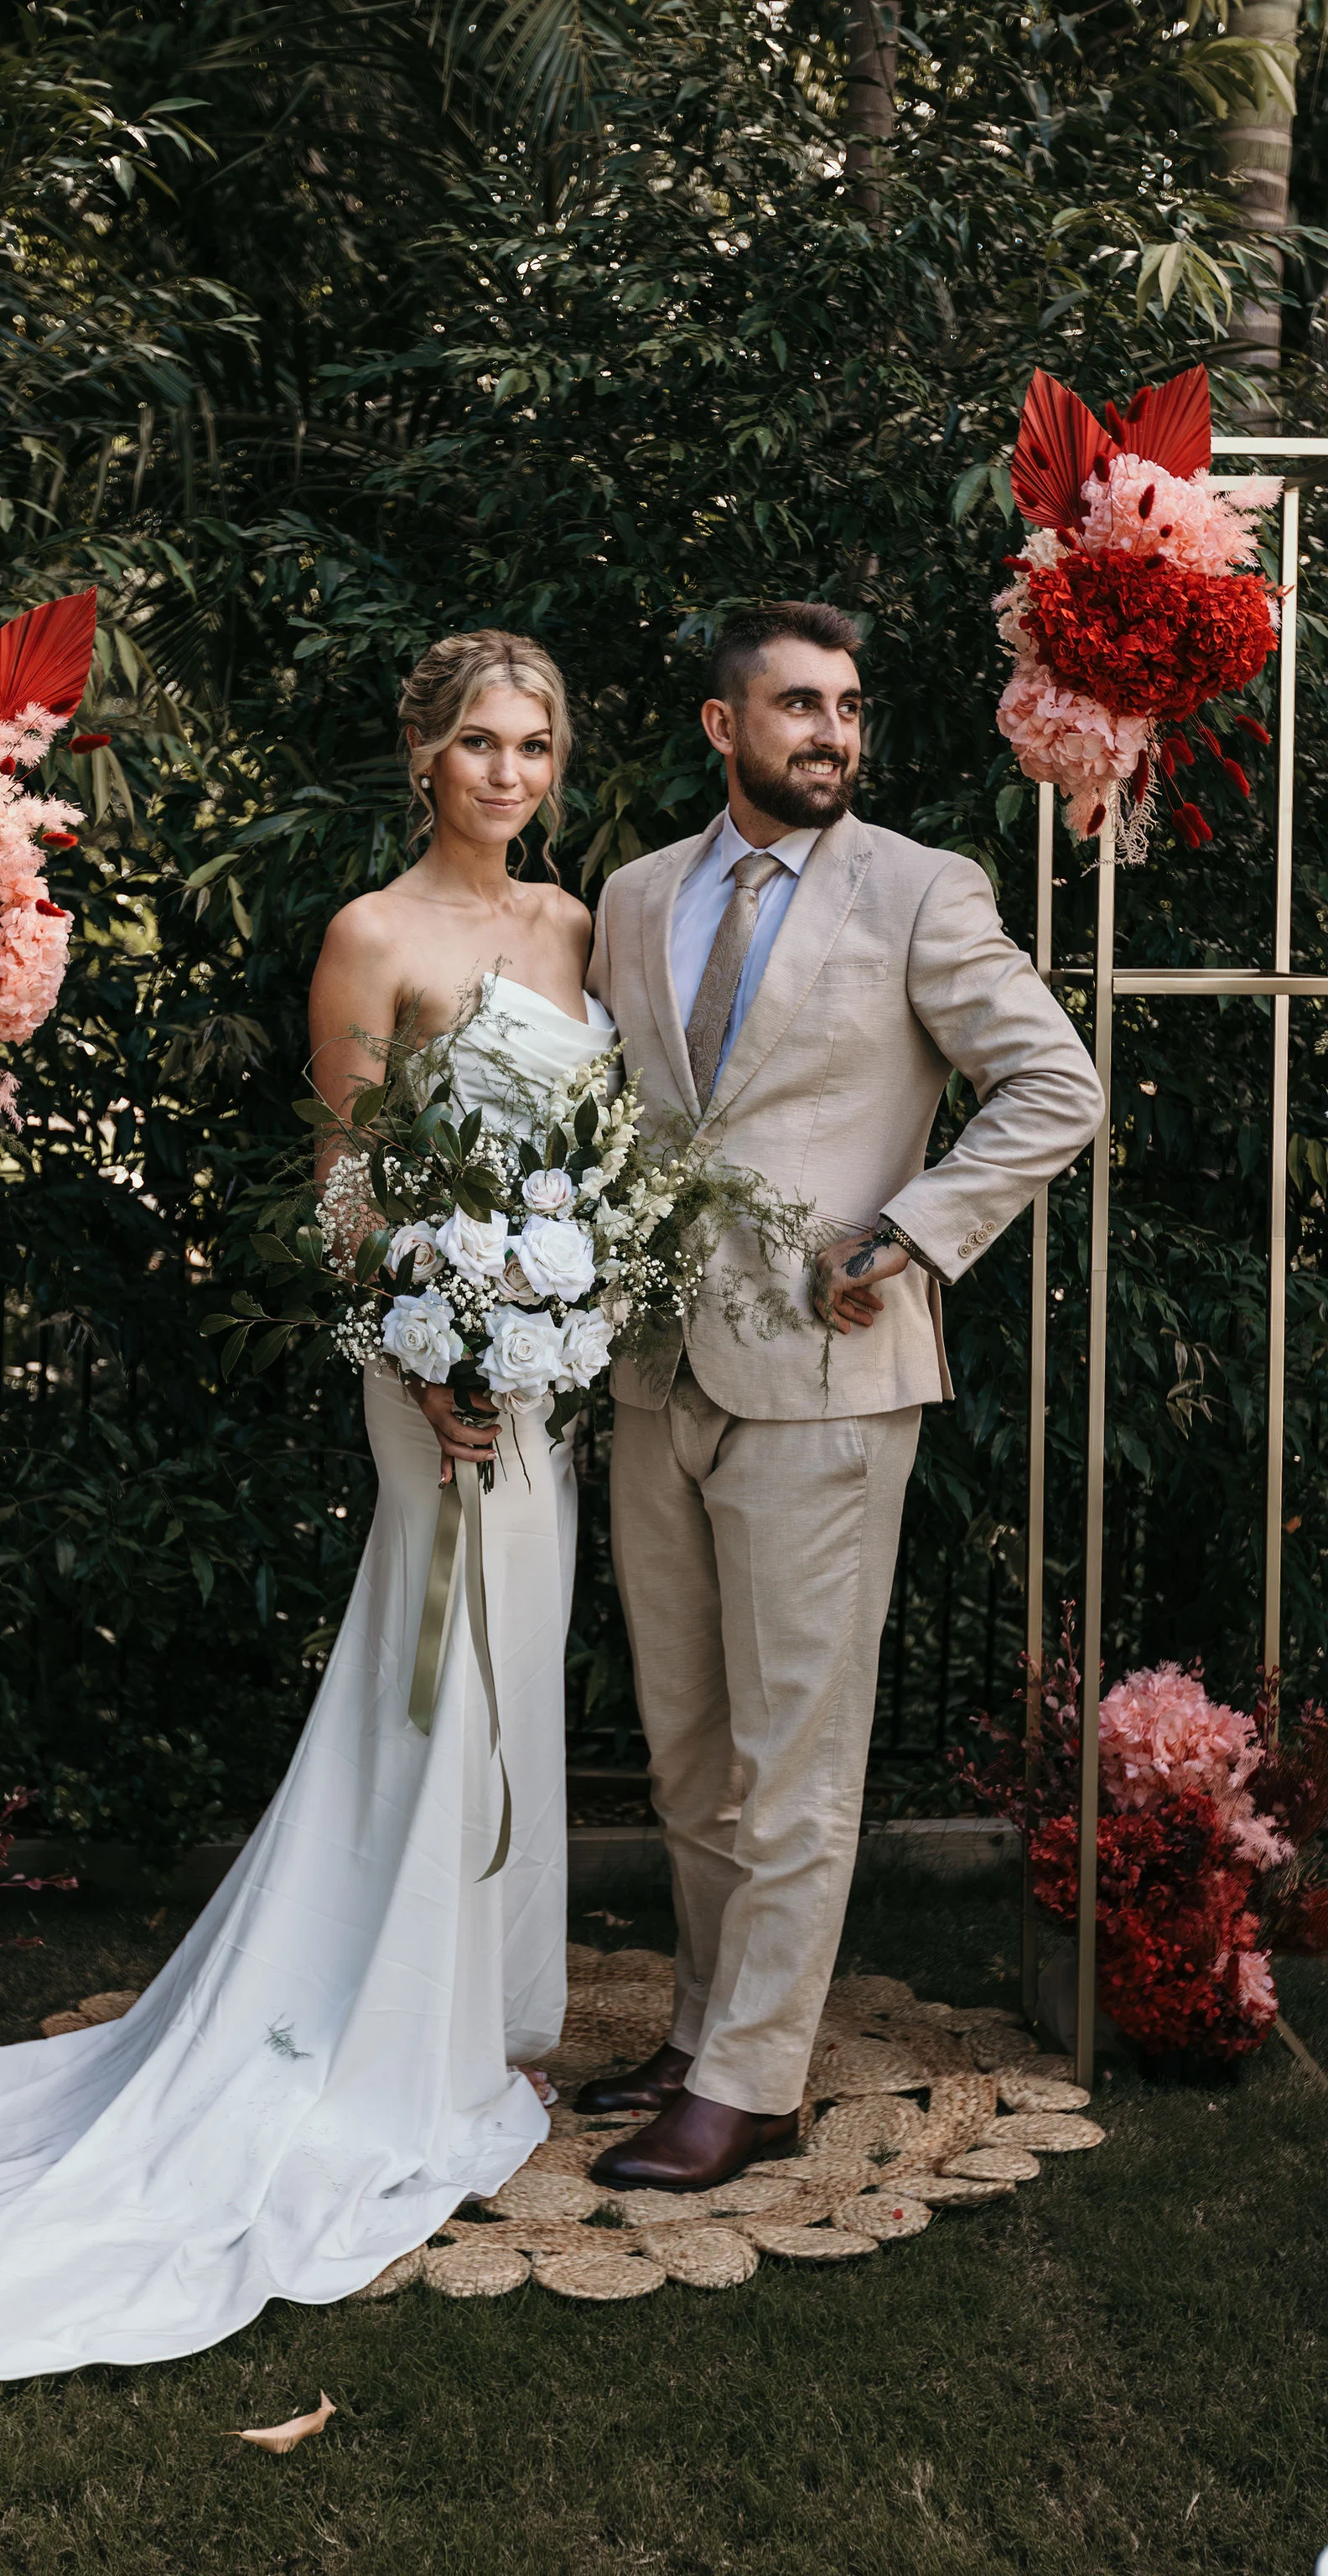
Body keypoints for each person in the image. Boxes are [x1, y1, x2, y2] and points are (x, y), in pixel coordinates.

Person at [0, 628, 609, 2376]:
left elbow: (593, 1151)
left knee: (519, 1649)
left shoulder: (577, 930)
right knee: (439, 1653)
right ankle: (399, 2038)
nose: (510, 776)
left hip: (548, 1355)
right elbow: (351, 1185)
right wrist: (426, 1346)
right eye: (480, 746)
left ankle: (483, 2002)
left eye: (537, 746)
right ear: (422, 756)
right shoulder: (371, 935)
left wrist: (562, 1300)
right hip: (424, 1356)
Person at [582, 600, 1103, 2191]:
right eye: (799, 706)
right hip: (656, 1364)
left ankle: (756, 2081)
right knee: (686, 1739)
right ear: (720, 728)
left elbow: (1055, 1085)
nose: (834, 733)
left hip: (827, 1367)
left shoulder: (924, 890)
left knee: (796, 1748)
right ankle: (701, 2026)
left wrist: (915, 1233)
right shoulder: (631, 895)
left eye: (851, 707)